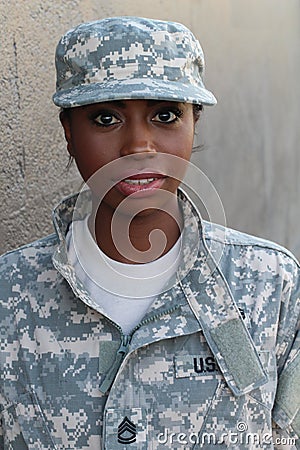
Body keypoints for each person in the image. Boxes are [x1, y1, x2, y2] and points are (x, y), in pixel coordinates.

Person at [0, 16, 299, 450]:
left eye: (165, 115)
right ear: (68, 132)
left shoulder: (273, 288)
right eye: (105, 118)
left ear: (195, 122)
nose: (139, 146)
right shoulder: (10, 296)